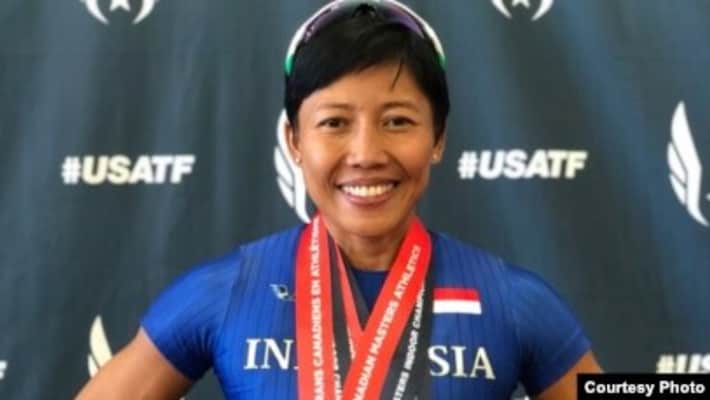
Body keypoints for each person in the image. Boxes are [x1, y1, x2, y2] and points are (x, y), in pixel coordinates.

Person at [76, 1, 601, 399]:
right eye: (334, 123)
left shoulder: (514, 301)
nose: (366, 154)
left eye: (398, 121)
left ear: (438, 138)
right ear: (294, 142)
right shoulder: (225, 291)